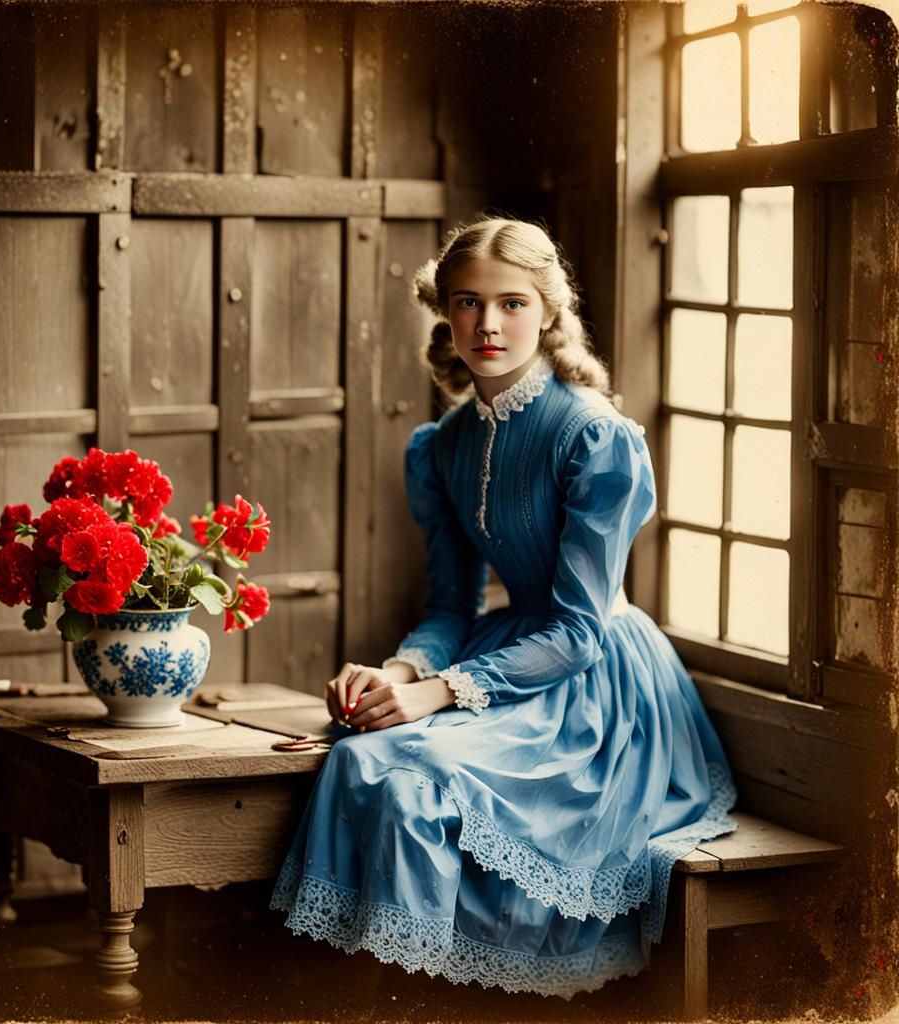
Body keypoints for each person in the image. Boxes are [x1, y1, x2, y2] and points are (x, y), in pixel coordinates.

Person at [270, 214, 739, 998]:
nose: (488, 324)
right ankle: (383, 991)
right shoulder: (445, 445)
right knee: (355, 755)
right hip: (504, 654)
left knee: (420, 781)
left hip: (596, 685)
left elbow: (579, 632)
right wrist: (397, 674)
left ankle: (427, 999)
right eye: (468, 302)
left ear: (548, 311)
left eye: (512, 303)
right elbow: (452, 605)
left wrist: (436, 693)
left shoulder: (593, 437)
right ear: (446, 312)